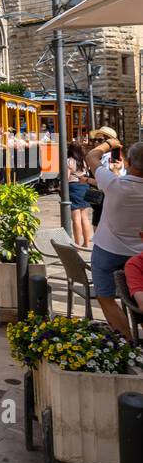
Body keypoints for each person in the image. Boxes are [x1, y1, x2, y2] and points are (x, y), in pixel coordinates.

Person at [83, 134, 143, 338]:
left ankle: (127, 341)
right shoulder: (116, 182)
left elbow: (91, 156)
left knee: (105, 296)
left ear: (128, 162)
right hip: (140, 254)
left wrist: (109, 144)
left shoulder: (114, 185)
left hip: (109, 250)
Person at [66, 140, 93, 249]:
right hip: (85, 186)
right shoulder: (84, 161)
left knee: (76, 218)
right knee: (85, 217)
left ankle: (77, 244)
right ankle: (86, 243)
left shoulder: (69, 161)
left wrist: (60, 187)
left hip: (73, 188)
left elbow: (66, 177)